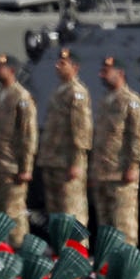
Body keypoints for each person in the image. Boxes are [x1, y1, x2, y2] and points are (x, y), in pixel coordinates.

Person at [91, 57, 140, 244]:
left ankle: (127, 266)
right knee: (106, 228)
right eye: (101, 70)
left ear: (120, 73)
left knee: (123, 226)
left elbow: (138, 135)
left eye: (106, 70)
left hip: (121, 174)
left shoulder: (131, 101)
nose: (102, 74)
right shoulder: (104, 102)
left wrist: (133, 166)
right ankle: (108, 268)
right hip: (103, 174)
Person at [37, 48, 91, 231]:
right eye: (58, 62)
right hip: (53, 160)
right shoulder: (59, 91)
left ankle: (76, 253)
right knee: (57, 214)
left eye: (63, 63)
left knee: (72, 211)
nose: (57, 66)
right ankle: (61, 252)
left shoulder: (77, 92)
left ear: (74, 67)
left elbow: (81, 130)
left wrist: (75, 162)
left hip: (68, 162)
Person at [0, 54, 35, 245]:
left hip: (13, 166)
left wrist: (26, 168)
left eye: (0, 68)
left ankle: (21, 254)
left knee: (14, 213)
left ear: (11, 70)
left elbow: (28, 135)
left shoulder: (21, 97)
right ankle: (1, 256)